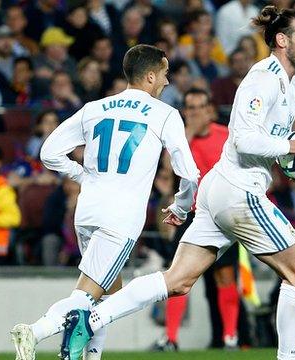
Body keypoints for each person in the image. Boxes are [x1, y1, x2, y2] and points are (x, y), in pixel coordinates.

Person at [59, 6, 295, 360]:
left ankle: (90, 318)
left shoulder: (293, 83)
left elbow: (265, 140)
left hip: (220, 189)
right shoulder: (264, 78)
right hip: (239, 190)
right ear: (282, 40)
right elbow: (244, 138)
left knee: (177, 280)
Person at [10, 44, 200, 360]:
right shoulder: (165, 114)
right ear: (151, 76)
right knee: (87, 295)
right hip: (120, 216)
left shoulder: (95, 108)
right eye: (165, 75)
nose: (167, 82)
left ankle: (92, 357)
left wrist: (84, 176)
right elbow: (190, 174)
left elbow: (48, 153)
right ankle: (35, 331)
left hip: (87, 210)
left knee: (107, 290)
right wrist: (181, 207)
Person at [155, 88, 241, 350]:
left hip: (222, 215)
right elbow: (168, 170)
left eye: (199, 107)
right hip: (191, 215)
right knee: (179, 278)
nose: (194, 112)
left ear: (209, 109)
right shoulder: (180, 138)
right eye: (189, 108)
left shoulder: (226, 135)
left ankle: (230, 337)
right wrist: (188, 134)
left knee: (225, 277)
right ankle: (171, 338)